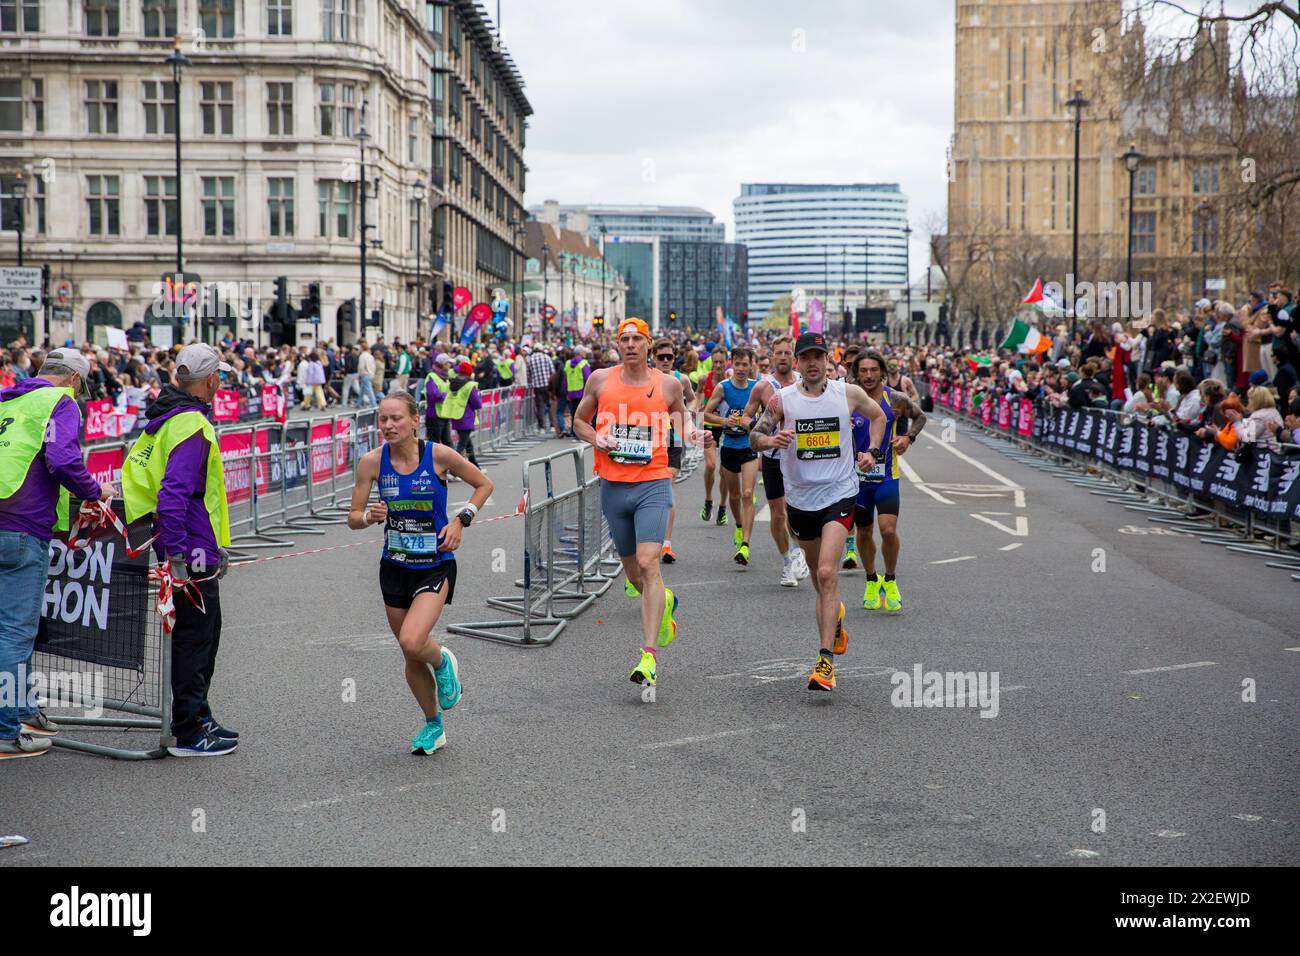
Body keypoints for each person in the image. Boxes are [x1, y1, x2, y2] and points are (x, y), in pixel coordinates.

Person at [347, 392, 490, 753]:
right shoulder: (372, 463)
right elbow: (353, 517)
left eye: (396, 418)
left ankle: (443, 661)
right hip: (394, 567)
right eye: (383, 419)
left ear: (415, 421)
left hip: (435, 565)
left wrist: (461, 520)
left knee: (414, 640)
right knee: (410, 654)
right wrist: (368, 518)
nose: (388, 425)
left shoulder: (438, 455)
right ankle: (433, 725)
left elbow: (483, 484)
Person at [572, 318, 711, 688]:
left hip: (652, 483)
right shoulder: (600, 379)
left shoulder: (667, 383)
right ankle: (665, 599)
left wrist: (694, 433)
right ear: (618, 345)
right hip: (614, 487)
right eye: (624, 339)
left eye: (637, 339)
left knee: (650, 562)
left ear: (649, 345)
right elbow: (578, 421)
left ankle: (648, 657)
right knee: (634, 574)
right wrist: (596, 437)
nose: (631, 344)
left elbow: (680, 417)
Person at [748, 332, 886, 692]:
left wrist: (872, 451)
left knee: (827, 572)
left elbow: (879, 417)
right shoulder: (783, 400)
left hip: (839, 493)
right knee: (817, 576)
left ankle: (825, 662)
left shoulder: (848, 393)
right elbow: (755, 435)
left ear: (828, 360)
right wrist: (768, 440)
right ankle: (835, 617)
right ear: (796, 362)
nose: (811, 363)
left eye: (817, 356)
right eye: (804, 357)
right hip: (800, 500)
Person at [121, 345, 236, 757]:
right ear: (210, 381)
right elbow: (173, 493)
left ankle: (198, 715)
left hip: (187, 542)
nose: (222, 382)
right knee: (195, 638)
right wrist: (178, 558)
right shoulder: (190, 424)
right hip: (191, 547)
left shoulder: (166, 417)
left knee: (203, 633)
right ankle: (190, 729)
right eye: (219, 376)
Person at [0, 349, 107, 758]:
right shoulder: (59, 402)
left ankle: (23, 711)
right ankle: (7, 729)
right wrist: (95, 491)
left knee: (9, 632)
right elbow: (62, 458)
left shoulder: (9, 399)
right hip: (23, 527)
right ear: (75, 380)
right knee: (14, 634)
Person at [850, 350, 927, 613]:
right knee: (863, 531)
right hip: (856, 478)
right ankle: (872, 579)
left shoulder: (894, 399)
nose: (869, 375)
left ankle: (890, 579)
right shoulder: (847, 397)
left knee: (888, 530)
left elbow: (920, 416)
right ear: (856, 373)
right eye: (863, 370)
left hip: (886, 476)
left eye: (873, 370)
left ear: (881, 371)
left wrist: (907, 438)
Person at [743, 335, 809, 587]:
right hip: (772, 457)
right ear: (771, 357)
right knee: (778, 513)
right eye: (778, 353)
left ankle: (799, 553)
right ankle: (788, 559)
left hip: (800, 457)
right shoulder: (762, 387)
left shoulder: (805, 384)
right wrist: (760, 428)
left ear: (793, 357)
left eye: (786, 353)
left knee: (799, 513)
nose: (782, 357)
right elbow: (748, 416)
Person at [702, 346, 761, 565]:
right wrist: (724, 421)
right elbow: (706, 413)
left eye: (745, 364)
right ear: (732, 364)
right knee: (734, 497)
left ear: (751, 365)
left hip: (749, 446)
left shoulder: (757, 387)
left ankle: (745, 544)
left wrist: (753, 424)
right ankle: (739, 525)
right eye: (737, 364)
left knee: (747, 493)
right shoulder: (723, 388)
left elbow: (767, 415)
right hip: (729, 446)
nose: (741, 369)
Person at [652, 339, 695, 564]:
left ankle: (666, 545)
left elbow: (693, 398)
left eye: (670, 357)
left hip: (673, 440)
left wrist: (687, 414)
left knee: (668, 487)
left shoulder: (682, 380)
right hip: (648, 440)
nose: (666, 361)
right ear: (653, 357)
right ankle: (648, 540)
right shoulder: (646, 379)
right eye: (662, 357)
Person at [698, 347, 729, 526]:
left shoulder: (730, 380)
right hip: (710, 427)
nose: (718, 365)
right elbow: (698, 397)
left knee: (725, 472)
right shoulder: (705, 379)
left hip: (726, 428)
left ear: (726, 362)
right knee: (710, 465)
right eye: (715, 362)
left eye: (721, 362)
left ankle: (723, 507)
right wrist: (695, 410)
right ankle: (709, 500)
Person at [445, 360, 483, 467]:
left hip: (456, 416)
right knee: (461, 446)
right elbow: (477, 404)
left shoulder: (453, 383)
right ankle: (454, 470)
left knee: (468, 444)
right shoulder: (469, 385)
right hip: (466, 417)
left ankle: (475, 467)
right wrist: (478, 394)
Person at [424, 353, 455, 447]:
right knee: (434, 444)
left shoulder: (446, 377)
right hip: (434, 416)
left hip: (444, 414)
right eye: (448, 363)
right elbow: (433, 395)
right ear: (442, 364)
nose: (450, 365)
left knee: (448, 443)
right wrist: (449, 395)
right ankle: (431, 462)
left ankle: (452, 462)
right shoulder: (431, 377)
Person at [563, 347, 591, 436]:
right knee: (582, 415)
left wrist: (566, 392)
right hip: (582, 392)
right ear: (580, 353)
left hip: (571, 392)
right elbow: (588, 378)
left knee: (573, 413)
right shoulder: (583, 363)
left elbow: (565, 379)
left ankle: (573, 431)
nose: (585, 353)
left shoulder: (567, 363)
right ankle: (581, 432)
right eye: (584, 352)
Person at [357, 340, 378, 408]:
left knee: (369, 390)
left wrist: (360, 374)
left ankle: (374, 404)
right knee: (362, 390)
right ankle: (358, 403)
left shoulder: (362, 356)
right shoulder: (370, 356)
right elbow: (374, 366)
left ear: (362, 348)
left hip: (365, 374)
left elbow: (361, 367)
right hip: (371, 374)